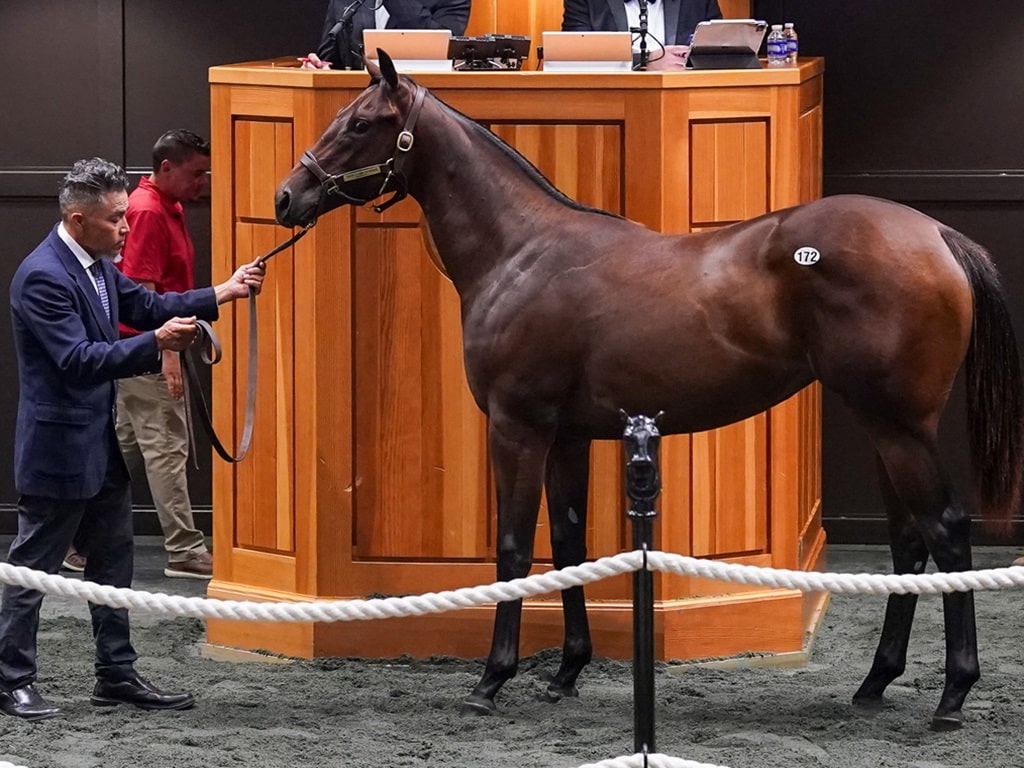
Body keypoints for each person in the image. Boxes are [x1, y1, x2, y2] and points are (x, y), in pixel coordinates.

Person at [0, 157, 265, 721]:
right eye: (117, 219)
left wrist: (224, 291)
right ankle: (10, 679)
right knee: (31, 571)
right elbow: (76, 361)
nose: (126, 228)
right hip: (59, 451)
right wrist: (156, 343)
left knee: (114, 567)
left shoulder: (95, 264)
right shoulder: (44, 275)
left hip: (98, 449)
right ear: (77, 219)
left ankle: (115, 676)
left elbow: (147, 304)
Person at [113, 129, 214, 580]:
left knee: (124, 449)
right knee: (166, 448)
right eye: (196, 173)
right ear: (167, 169)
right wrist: (167, 354)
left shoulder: (166, 205)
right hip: (148, 350)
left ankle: (75, 541)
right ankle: (185, 550)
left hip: (139, 350)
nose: (203, 182)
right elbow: (143, 291)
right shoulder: (149, 211)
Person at [307, 0, 471, 70]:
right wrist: (319, 68)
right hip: (360, 115)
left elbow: (443, 47)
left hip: (422, 114)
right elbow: (330, 58)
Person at [562, 0, 722, 69]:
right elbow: (572, 59)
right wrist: (643, 62)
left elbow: (720, 53)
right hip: (608, 110)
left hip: (686, 109)